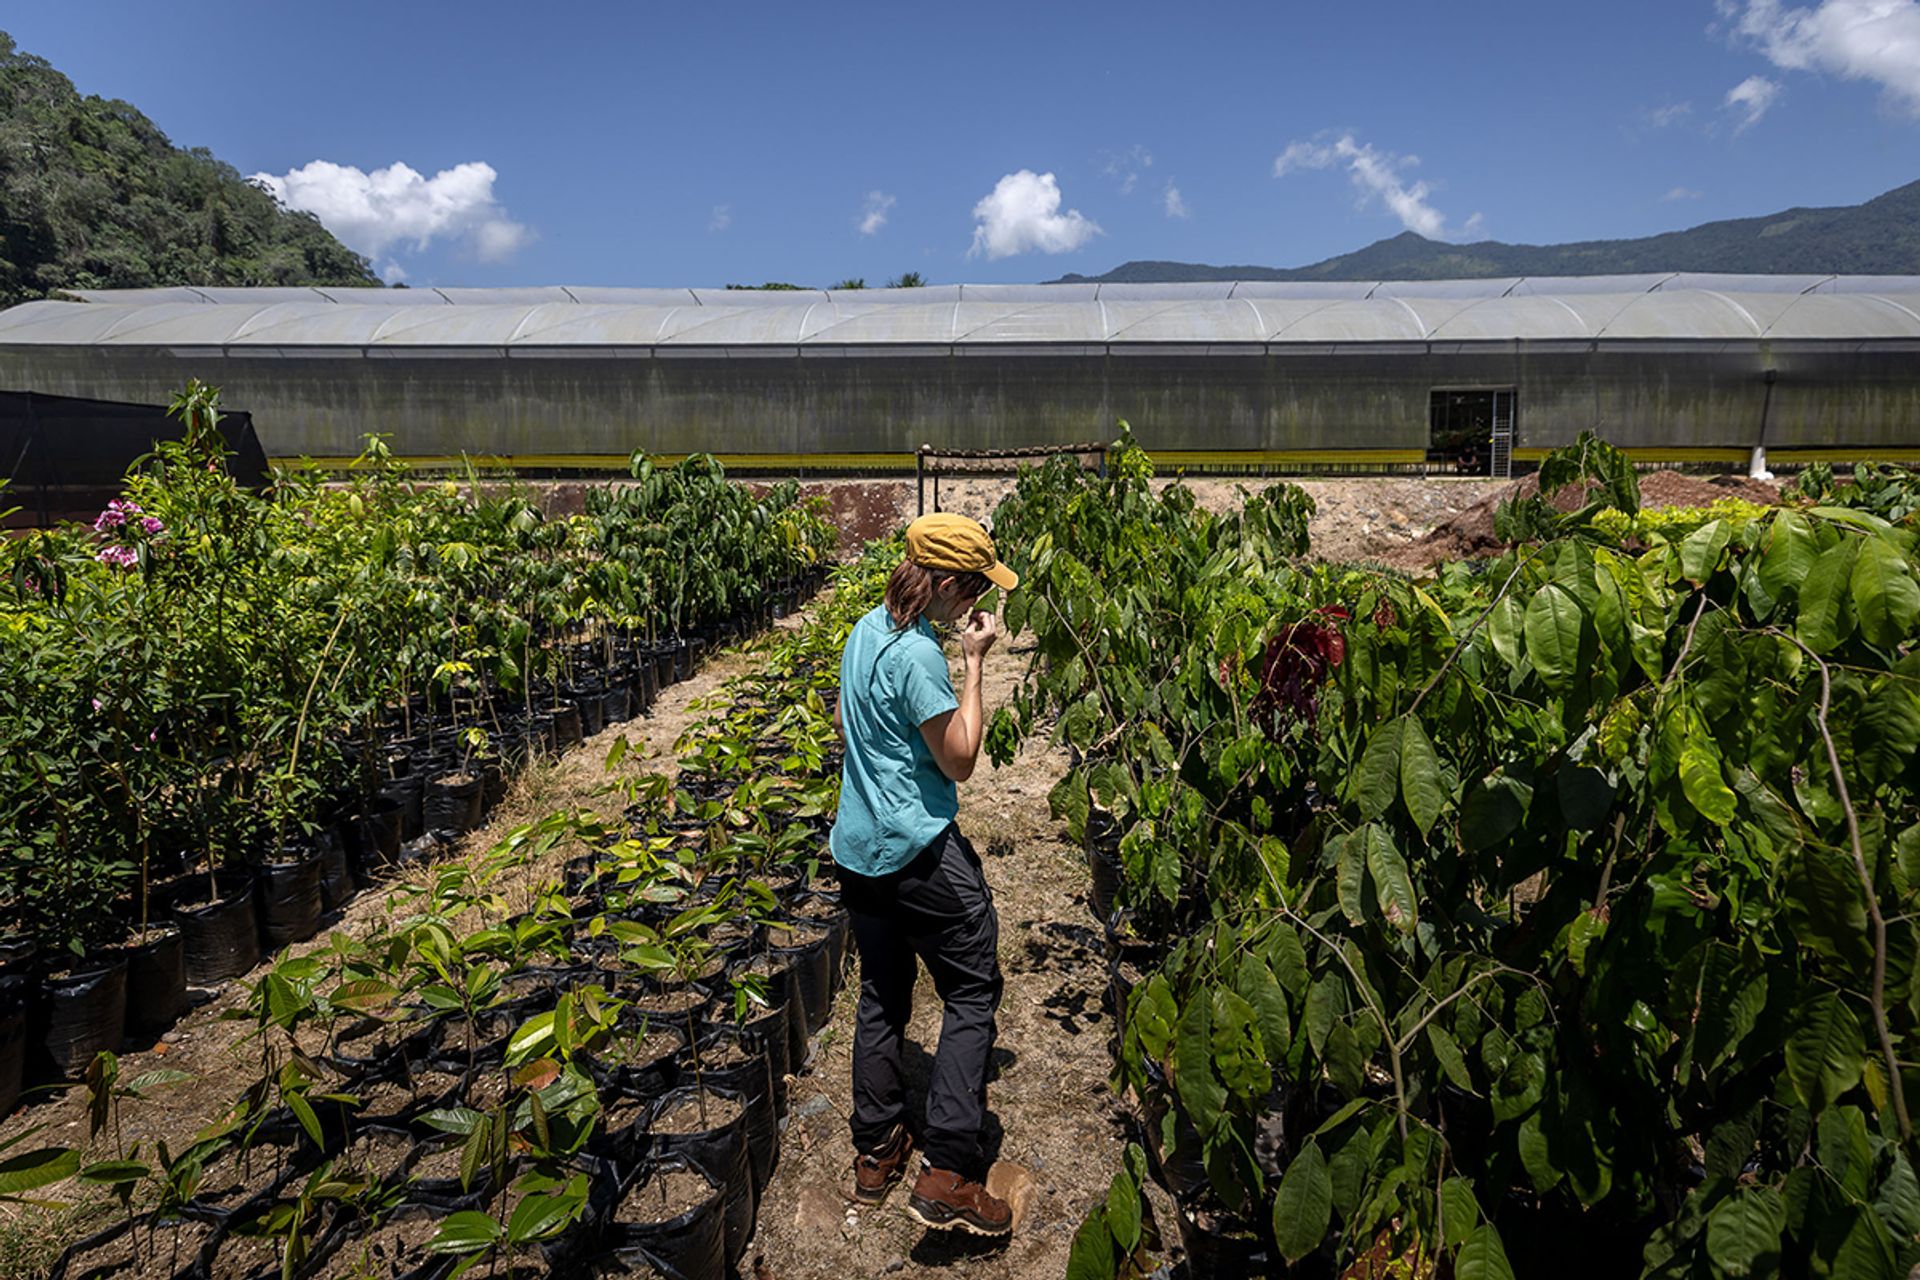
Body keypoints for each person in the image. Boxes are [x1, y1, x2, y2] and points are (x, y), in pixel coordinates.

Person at [830, 512, 1019, 1236]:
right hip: (921, 857)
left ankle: (876, 1152)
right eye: (969, 586)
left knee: (881, 992)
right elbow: (961, 757)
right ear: (940, 581)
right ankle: (946, 1172)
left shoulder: (863, 631)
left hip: (860, 852)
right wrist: (974, 663)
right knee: (971, 992)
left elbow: (851, 731)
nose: (973, 600)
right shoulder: (917, 657)